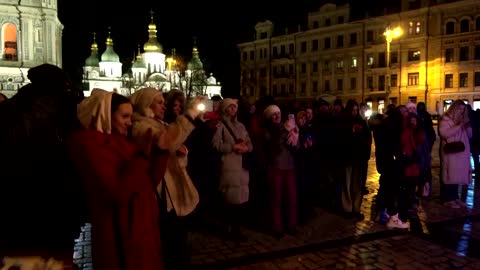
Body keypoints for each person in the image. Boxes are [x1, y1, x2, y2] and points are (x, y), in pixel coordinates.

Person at [68, 89, 164, 270]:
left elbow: (148, 183)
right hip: (118, 228)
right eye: (125, 117)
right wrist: (141, 157)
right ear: (105, 116)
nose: (130, 123)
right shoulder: (90, 145)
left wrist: (160, 153)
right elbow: (117, 193)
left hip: (141, 224)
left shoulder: (124, 142)